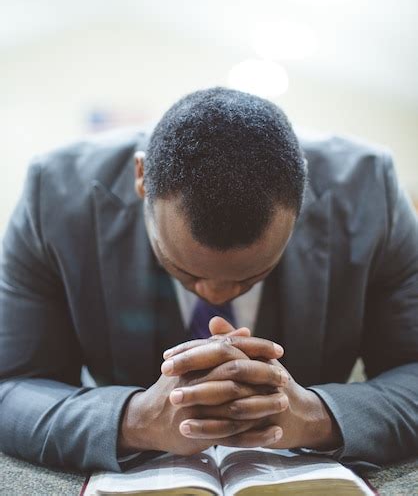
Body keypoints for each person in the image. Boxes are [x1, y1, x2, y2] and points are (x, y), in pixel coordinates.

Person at [0, 87, 417, 472]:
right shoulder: (53, 194)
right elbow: (11, 386)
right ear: (141, 178)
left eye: (253, 274)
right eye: (186, 270)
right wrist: (133, 420)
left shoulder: (372, 189)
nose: (216, 294)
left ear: (302, 190)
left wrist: (316, 415)